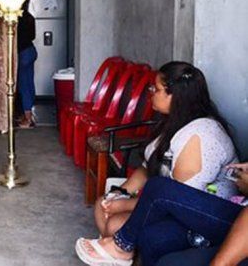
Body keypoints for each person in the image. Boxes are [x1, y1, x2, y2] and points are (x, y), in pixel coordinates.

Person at [91, 62, 238, 238]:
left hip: (199, 215)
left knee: (116, 225)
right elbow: (147, 168)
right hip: (165, 202)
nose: (150, 93)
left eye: (156, 89)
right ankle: (118, 254)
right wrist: (119, 194)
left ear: (175, 96)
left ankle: (119, 250)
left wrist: (124, 205)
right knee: (102, 205)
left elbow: (179, 198)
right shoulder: (171, 123)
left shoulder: (201, 135)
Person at [76, 165, 248, 266]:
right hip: (238, 208)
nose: (150, 100)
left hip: (241, 223)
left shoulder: (200, 131)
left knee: (159, 188)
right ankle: (122, 246)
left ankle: (121, 245)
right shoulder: (169, 130)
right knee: (151, 237)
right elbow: (145, 168)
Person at [16, 0, 37, 129]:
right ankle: (28, 114)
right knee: (29, 83)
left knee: (23, 85)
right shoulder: (30, 17)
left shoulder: (16, 19)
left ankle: (28, 120)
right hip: (31, 51)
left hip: (23, 53)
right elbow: (33, 36)